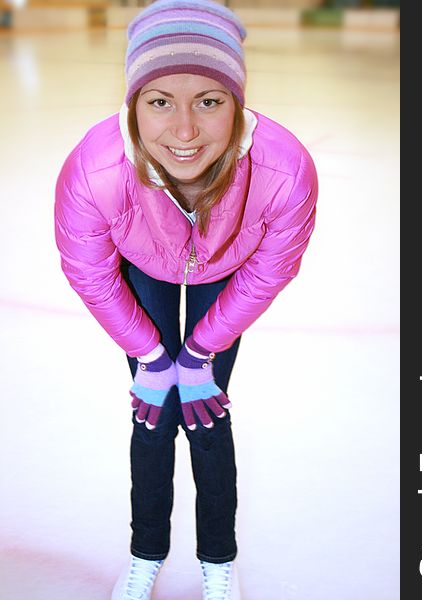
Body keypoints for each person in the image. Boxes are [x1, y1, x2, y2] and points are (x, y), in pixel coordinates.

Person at [54, 0, 318, 598]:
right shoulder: (94, 169)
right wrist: (151, 358)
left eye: (209, 100)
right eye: (159, 101)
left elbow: (271, 270)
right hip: (142, 256)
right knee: (154, 412)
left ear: (238, 102)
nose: (185, 131)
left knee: (206, 411)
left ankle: (217, 560)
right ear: (132, 105)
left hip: (224, 266)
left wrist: (200, 355)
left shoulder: (284, 169)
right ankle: (146, 552)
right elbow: (90, 273)